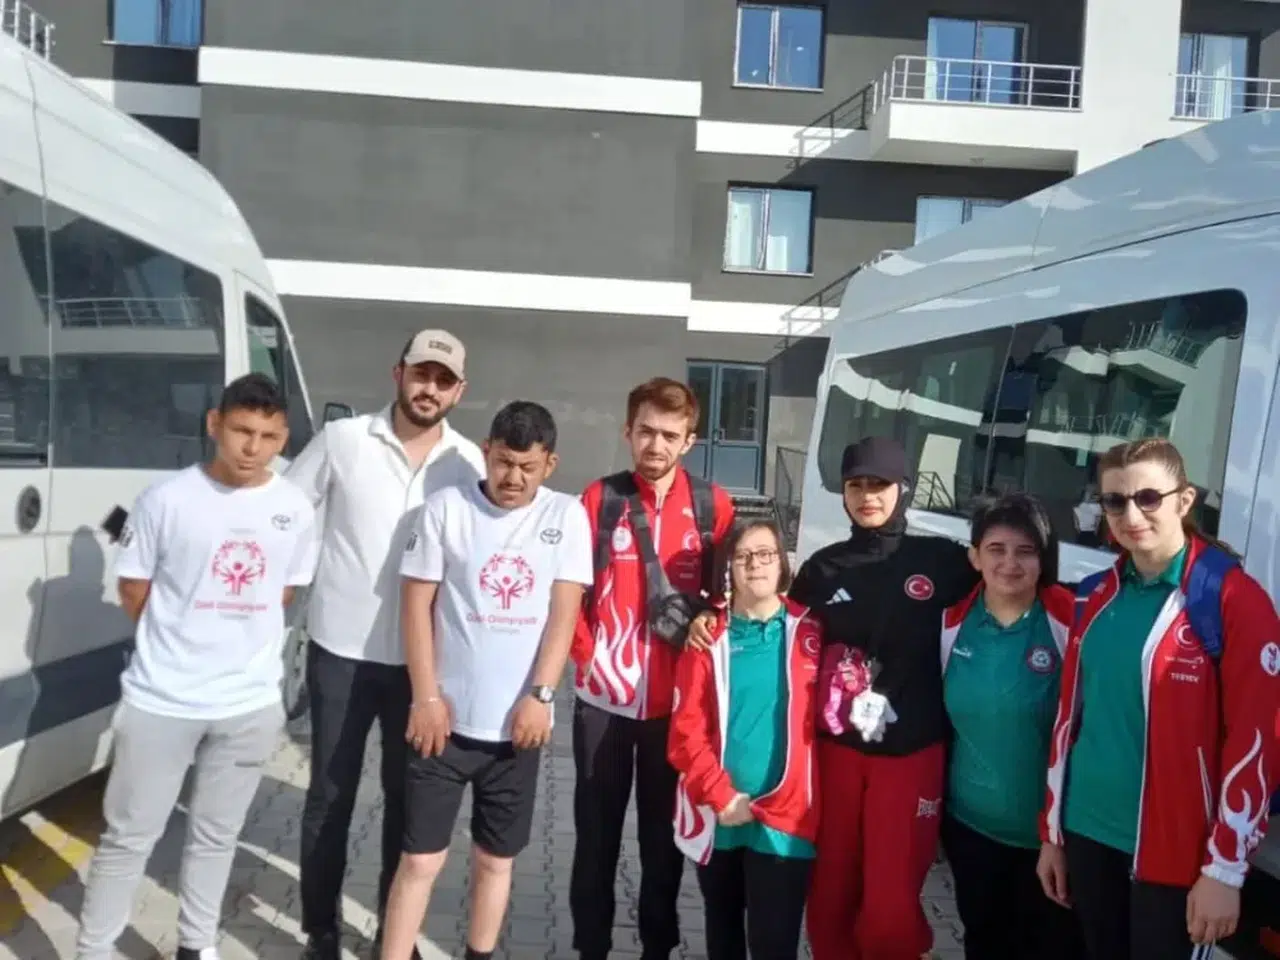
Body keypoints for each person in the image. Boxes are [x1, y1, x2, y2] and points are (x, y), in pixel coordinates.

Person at [690, 434, 977, 960]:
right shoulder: (822, 570)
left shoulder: (944, 561)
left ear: (905, 487)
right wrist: (712, 616)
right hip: (833, 757)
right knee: (828, 902)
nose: (867, 496)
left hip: (910, 757)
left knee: (889, 913)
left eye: (880, 484)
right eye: (856, 485)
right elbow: (771, 619)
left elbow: (1012, 573)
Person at [75, 374, 319, 960]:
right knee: (129, 837)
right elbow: (134, 586)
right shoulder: (166, 499)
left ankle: (196, 945)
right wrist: (178, 640)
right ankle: (94, 948)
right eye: (241, 431)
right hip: (162, 700)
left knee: (216, 837)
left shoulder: (293, 508)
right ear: (214, 424)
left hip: (248, 706)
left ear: (284, 437)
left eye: (268, 436)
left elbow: (284, 593)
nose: (252, 447)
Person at [1037, 437, 1280, 960]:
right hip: (1087, 832)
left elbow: (1257, 743)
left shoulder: (1233, 600)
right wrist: (1052, 833)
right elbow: (1068, 720)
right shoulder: (1095, 593)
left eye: (1148, 497)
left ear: (1184, 500)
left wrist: (1225, 870)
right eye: (1115, 501)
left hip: (1177, 853)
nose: (1131, 516)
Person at [286, 330, 483, 960]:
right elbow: (287, 511)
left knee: (408, 805)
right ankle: (320, 929)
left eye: (443, 380)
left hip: (420, 669)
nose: (430, 388)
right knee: (330, 797)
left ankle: (391, 935)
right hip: (339, 654)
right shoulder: (343, 440)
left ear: (459, 390)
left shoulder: (468, 463)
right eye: (421, 374)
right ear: (398, 373)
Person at [381, 401, 594, 960]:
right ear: (486, 452)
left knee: (495, 860)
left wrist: (541, 695)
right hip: (443, 724)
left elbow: (564, 614)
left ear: (549, 464)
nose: (512, 477)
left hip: (517, 728)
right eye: (503, 462)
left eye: (527, 467)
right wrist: (425, 697)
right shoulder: (445, 510)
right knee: (420, 860)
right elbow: (415, 606)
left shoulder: (567, 516)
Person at [569, 378, 735, 960]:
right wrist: (587, 659)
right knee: (595, 841)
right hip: (603, 707)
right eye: (646, 431)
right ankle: (590, 948)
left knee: (662, 846)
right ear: (628, 431)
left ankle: (657, 949)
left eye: (669, 434)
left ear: (689, 440)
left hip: (675, 711)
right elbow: (570, 592)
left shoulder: (714, 507)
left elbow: (726, 600)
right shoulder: (600, 499)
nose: (655, 445)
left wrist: (710, 622)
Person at [668, 518, 821, 960]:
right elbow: (684, 732)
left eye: (766, 553)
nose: (755, 564)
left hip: (788, 817)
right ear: (729, 569)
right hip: (722, 814)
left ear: (783, 563)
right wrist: (721, 796)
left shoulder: (812, 630)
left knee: (774, 945)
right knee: (724, 938)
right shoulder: (707, 638)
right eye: (743, 556)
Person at [939, 494, 1085, 960]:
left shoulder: (1070, 622)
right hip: (970, 831)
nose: (1010, 563)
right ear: (974, 556)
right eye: (996, 549)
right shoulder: (949, 624)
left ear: (1044, 559)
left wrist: (1057, 838)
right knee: (985, 944)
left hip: (1050, 842)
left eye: (1025, 551)